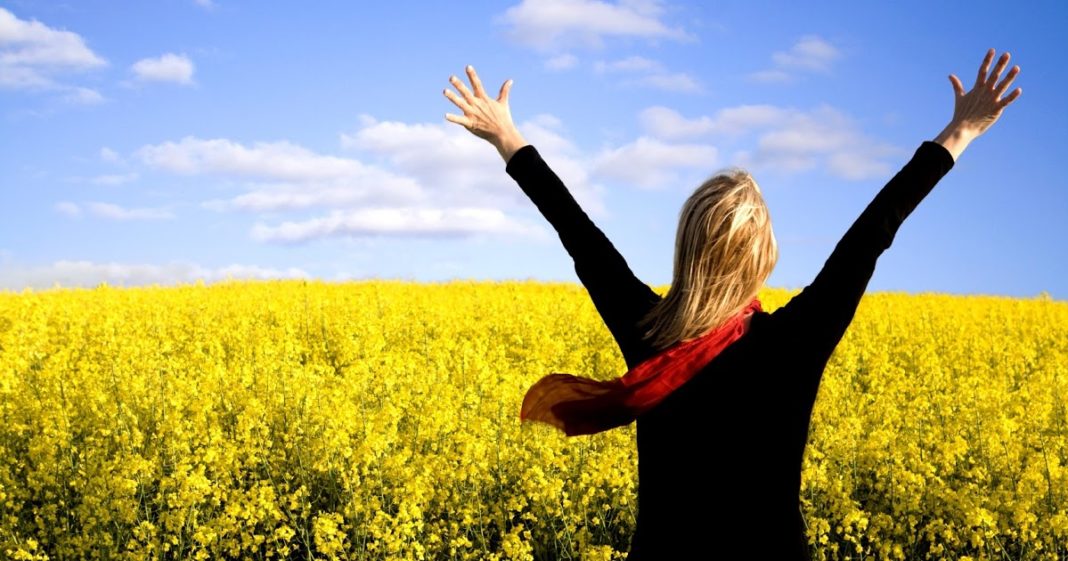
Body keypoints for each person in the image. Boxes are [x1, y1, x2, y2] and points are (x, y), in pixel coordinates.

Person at [442, 49, 1021, 559]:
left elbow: (577, 231)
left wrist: (507, 138)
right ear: (765, 256)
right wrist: (959, 133)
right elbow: (872, 233)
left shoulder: (650, 331)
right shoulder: (796, 340)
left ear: (685, 245)